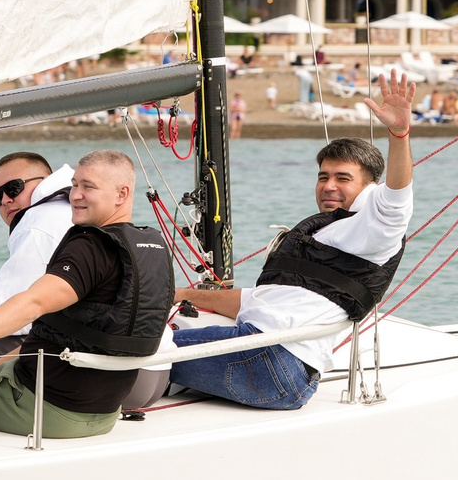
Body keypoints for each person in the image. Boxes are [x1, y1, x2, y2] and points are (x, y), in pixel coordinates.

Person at [173, 79, 415, 411]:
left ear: (370, 188)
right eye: (323, 177)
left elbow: (396, 200)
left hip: (271, 360)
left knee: (131, 348)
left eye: (343, 178)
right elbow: (254, 300)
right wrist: (181, 295)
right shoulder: (330, 235)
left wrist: (399, 136)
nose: (329, 186)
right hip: (276, 366)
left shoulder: (373, 229)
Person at [0, 150, 165, 439]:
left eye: (88, 187)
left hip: (49, 405)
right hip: (106, 409)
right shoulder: (152, 246)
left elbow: (35, 301)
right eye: (74, 185)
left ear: (122, 194)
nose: (75, 195)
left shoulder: (89, 247)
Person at [0, 151, 75, 336]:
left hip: (43, 344)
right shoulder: (72, 208)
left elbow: (12, 316)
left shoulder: (35, 224)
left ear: (45, 180)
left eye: (14, 187)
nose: (6, 200)